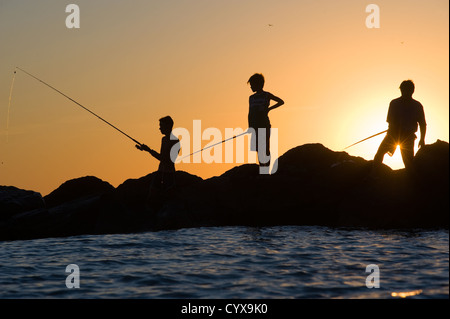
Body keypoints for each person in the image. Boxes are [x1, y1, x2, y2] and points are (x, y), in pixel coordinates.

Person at [373, 80, 426, 172]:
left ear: (412, 91)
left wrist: (422, 139)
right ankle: (374, 173)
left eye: (407, 89)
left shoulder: (416, 105)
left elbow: (422, 124)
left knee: (408, 162)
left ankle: (411, 180)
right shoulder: (395, 103)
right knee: (379, 154)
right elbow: (390, 122)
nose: (404, 91)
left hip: (405, 137)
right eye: (403, 89)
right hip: (394, 135)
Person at [136, 116, 180, 196]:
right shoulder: (163, 140)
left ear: (168, 126)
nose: (160, 128)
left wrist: (149, 150)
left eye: (161, 126)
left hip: (169, 175)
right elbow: (162, 157)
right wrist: (146, 150)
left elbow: (166, 160)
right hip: (160, 172)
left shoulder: (175, 141)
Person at [247, 73, 284, 169]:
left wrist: (269, 109)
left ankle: (266, 168)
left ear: (258, 84)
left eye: (252, 84)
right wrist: (250, 126)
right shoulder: (251, 98)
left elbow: (281, 101)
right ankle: (261, 167)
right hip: (255, 125)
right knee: (258, 148)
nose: (251, 86)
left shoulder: (266, 95)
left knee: (266, 147)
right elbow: (250, 113)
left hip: (264, 124)